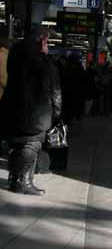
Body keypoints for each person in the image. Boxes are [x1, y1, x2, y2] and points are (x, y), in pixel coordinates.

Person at [2, 27, 61, 195]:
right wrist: (56, 112)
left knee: (17, 145)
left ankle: (15, 179)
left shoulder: (14, 56)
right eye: (47, 40)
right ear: (42, 40)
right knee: (31, 144)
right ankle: (23, 182)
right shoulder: (44, 62)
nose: (48, 44)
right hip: (36, 112)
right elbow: (54, 90)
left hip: (12, 107)